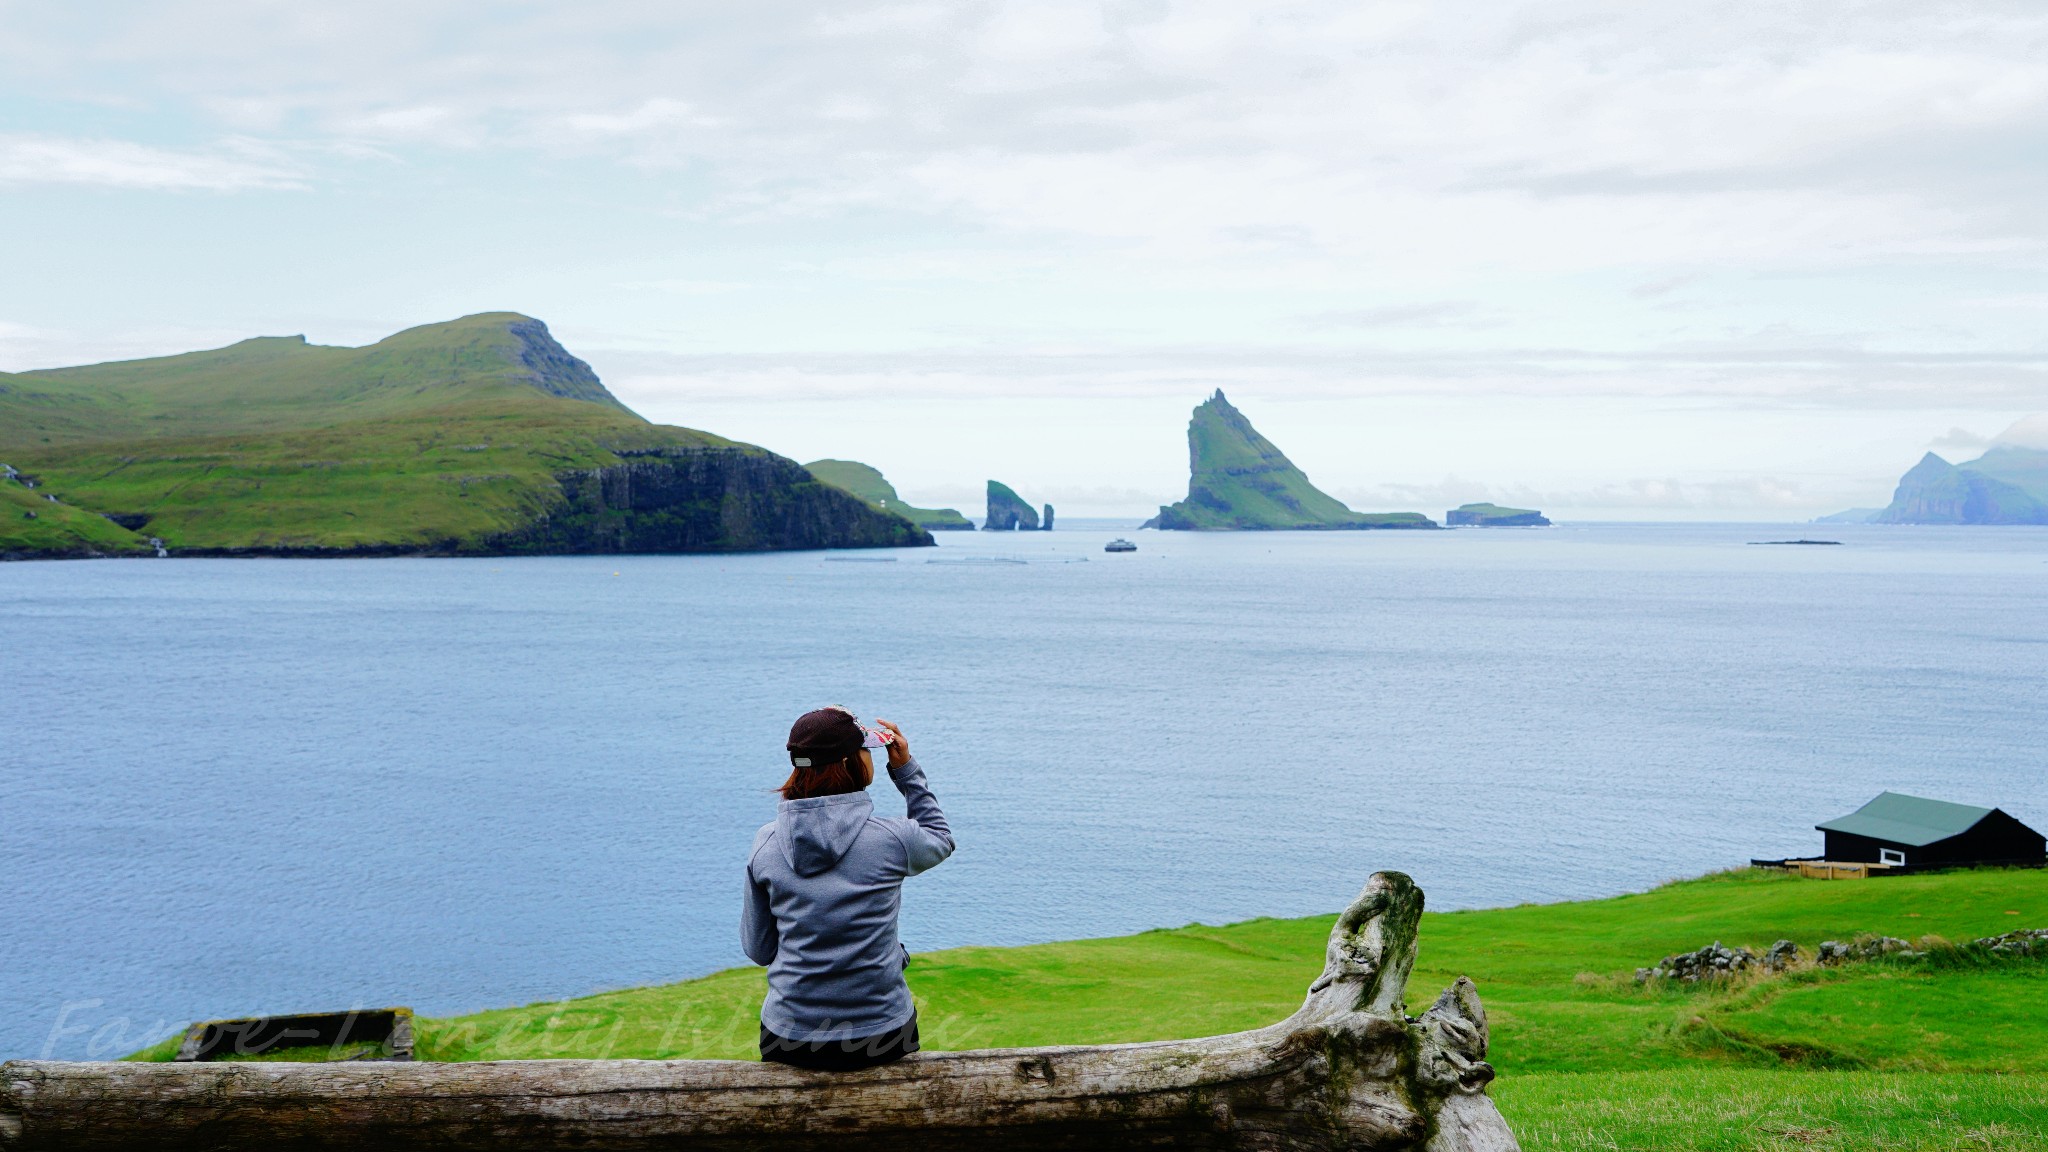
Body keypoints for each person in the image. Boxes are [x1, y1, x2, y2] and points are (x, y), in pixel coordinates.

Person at [741, 707, 954, 1070]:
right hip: (881, 1031)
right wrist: (906, 771)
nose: (869, 757)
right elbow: (940, 838)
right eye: (866, 750)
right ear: (849, 762)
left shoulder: (766, 843)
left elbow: (759, 950)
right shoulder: (892, 839)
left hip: (791, 1034)